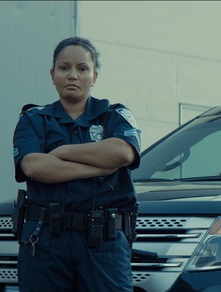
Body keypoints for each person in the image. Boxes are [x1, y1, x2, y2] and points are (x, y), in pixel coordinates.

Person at [12, 36, 141, 291]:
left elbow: (123, 153)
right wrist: (100, 167)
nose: (73, 75)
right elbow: (34, 167)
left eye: (82, 68)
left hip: (102, 242)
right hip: (45, 242)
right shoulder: (33, 120)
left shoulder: (114, 117)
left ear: (94, 76)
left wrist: (63, 151)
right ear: (52, 74)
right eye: (64, 68)